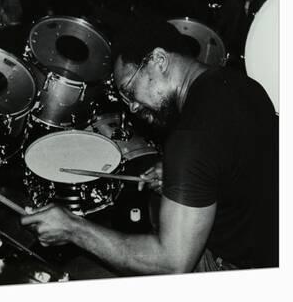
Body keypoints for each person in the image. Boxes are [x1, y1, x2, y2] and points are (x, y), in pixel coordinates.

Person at [21, 19, 278, 274]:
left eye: (130, 91)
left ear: (159, 60)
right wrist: (189, 176)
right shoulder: (243, 85)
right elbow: (236, 162)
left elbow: (172, 262)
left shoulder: (190, 138)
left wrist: (73, 228)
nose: (132, 107)